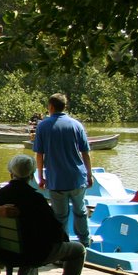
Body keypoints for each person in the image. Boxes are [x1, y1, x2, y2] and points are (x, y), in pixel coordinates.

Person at [0, 154, 87, 275]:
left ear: (11, 173)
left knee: (29, 238)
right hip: (30, 254)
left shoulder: (0, 195)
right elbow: (55, 231)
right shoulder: (36, 199)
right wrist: (63, 239)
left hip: (5, 248)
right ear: (31, 176)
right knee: (78, 250)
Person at [33, 93, 94, 247]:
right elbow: (85, 153)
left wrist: (40, 176)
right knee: (80, 212)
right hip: (77, 178)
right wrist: (89, 175)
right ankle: (84, 242)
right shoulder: (76, 125)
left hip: (56, 179)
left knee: (60, 216)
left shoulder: (43, 126)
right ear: (64, 106)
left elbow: (39, 155)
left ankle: (62, 244)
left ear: (51, 107)